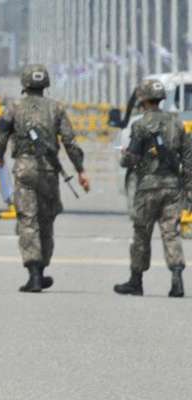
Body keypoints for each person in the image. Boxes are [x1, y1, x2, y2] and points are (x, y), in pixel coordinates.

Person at [0, 64, 90, 293]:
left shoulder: (13, 107)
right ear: (45, 84)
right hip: (48, 170)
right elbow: (70, 142)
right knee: (46, 221)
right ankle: (42, 269)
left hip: (25, 168)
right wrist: (81, 170)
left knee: (28, 219)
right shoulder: (56, 108)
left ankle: (33, 272)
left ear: (24, 83)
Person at [114, 79, 192, 297]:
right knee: (171, 233)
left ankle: (136, 280)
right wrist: (188, 188)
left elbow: (131, 159)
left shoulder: (140, 125)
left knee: (142, 234)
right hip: (173, 188)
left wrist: (124, 158)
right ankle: (177, 278)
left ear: (144, 99)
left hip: (148, 188)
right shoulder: (177, 124)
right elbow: (187, 158)